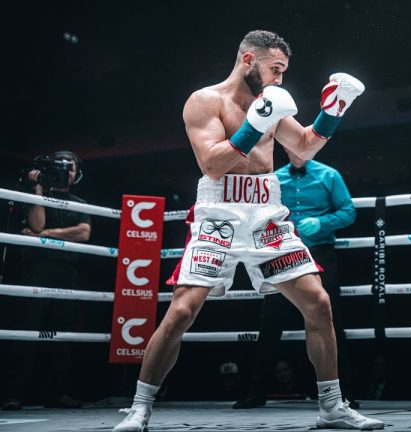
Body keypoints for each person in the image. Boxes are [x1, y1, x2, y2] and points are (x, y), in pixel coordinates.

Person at [112, 30, 383, 431]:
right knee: (183, 310)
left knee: (318, 303)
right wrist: (257, 122)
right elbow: (211, 164)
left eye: (284, 72)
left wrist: (334, 110)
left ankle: (331, 406)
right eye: (276, 69)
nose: (280, 79)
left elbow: (304, 147)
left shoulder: (270, 103)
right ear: (248, 60)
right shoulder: (205, 101)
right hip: (219, 212)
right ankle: (140, 407)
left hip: (265, 211)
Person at [234, 151, 357, 408]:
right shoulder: (274, 179)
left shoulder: (328, 175)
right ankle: (256, 392)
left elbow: (348, 212)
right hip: (283, 252)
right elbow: (258, 213)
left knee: (331, 318)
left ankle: (343, 393)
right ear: (286, 148)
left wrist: (322, 222)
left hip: (320, 252)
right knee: (270, 321)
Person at [2, 150, 89, 411]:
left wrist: (46, 234)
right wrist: (39, 189)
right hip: (36, 269)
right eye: (61, 166)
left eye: (70, 167)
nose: (65, 171)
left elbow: (84, 233)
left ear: (77, 174)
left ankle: (57, 393)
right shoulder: (36, 197)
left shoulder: (80, 202)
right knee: (26, 331)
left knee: (61, 335)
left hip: (67, 270)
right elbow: (36, 224)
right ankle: (14, 393)